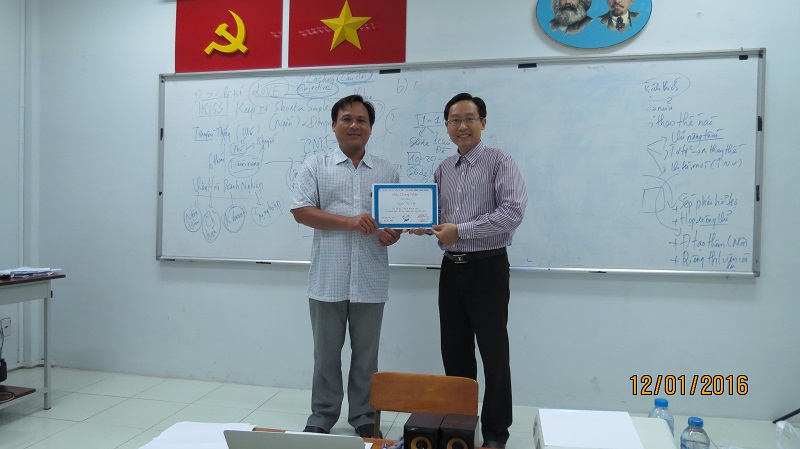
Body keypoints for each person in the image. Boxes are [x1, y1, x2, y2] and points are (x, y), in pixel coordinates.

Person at [408, 93, 527, 449]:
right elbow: (437, 217)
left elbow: (512, 213)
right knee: (455, 353)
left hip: (487, 268)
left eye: (469, 118)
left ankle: (495, 434)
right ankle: (460, 430)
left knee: (494, 356)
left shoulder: (500, 161)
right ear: (446, 126)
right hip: (451, 269)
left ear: (483, 123)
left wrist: (460, 231)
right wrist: (420, 224)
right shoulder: (444, 168)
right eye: (455, 120)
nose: (462, 126)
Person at [290, 94, 401, 439]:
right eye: (347, 119)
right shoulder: (316, 166)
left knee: (366, 357)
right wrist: (349, 222)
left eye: (361, 120)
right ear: (334, 125)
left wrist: (393, 234)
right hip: (328, 278)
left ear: (371, 128)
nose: (354, 125)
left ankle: (365, 416)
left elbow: (395, 222)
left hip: (370, 278)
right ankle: (322, 415)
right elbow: (301, 211)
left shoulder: (387, 171)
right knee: (326, 355)